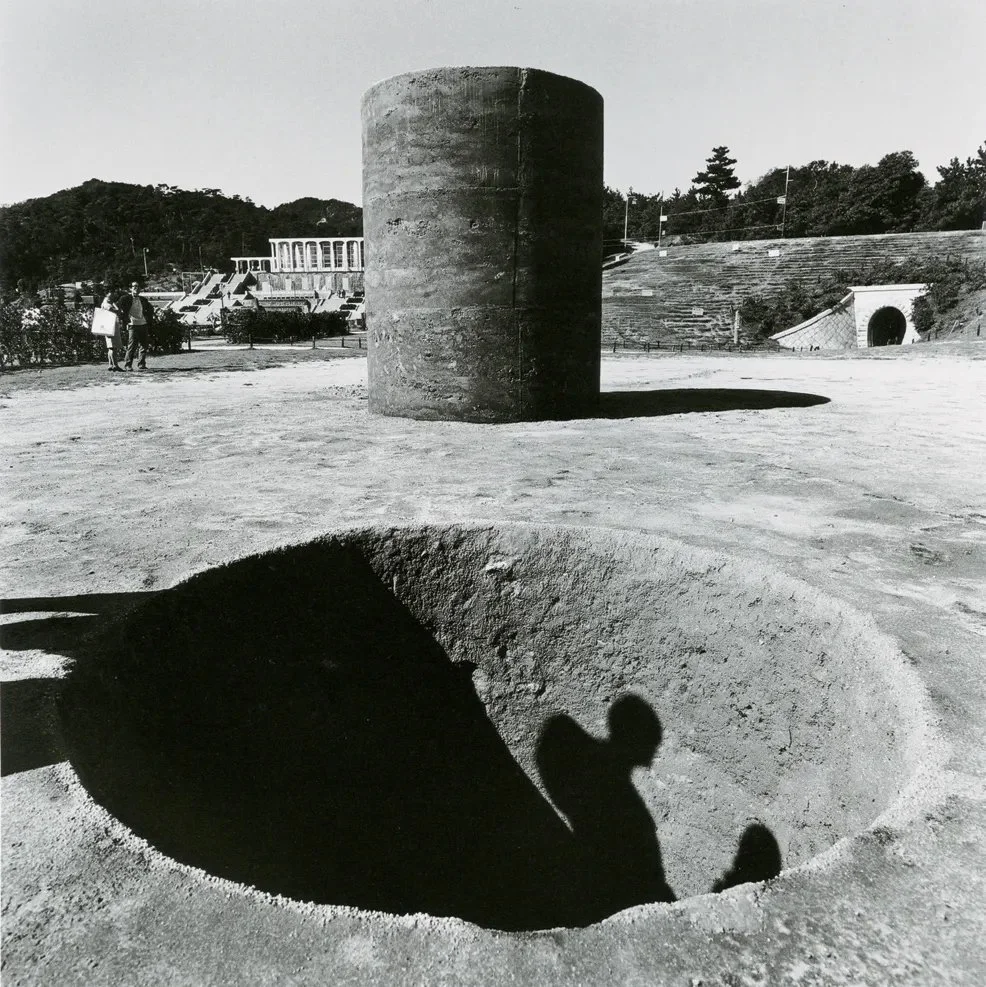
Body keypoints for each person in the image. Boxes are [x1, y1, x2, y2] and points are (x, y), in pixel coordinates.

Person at [119, 280, 155, 371]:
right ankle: (128, 365)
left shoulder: (143, 299)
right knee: (132, 345)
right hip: (132, 324)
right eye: (134, 286)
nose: (136, 288)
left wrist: (147, 318)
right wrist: (124, 320)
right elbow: (118, 308)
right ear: (130, 288)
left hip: (143, 323)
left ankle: (141, 364)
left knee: (144, 345)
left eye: (138, 286)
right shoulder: (125, 298)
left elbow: (150, 309)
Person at [98, 289, 123, 371]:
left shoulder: (108, 302)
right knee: (112, 347)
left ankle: (110, 364)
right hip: (110, 326)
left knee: (111, 347)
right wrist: (116, 307)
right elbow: (116, 311)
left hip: (110, 325)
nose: (112, 296)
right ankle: (115, 365)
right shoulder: (106, 303)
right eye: (111, 294)